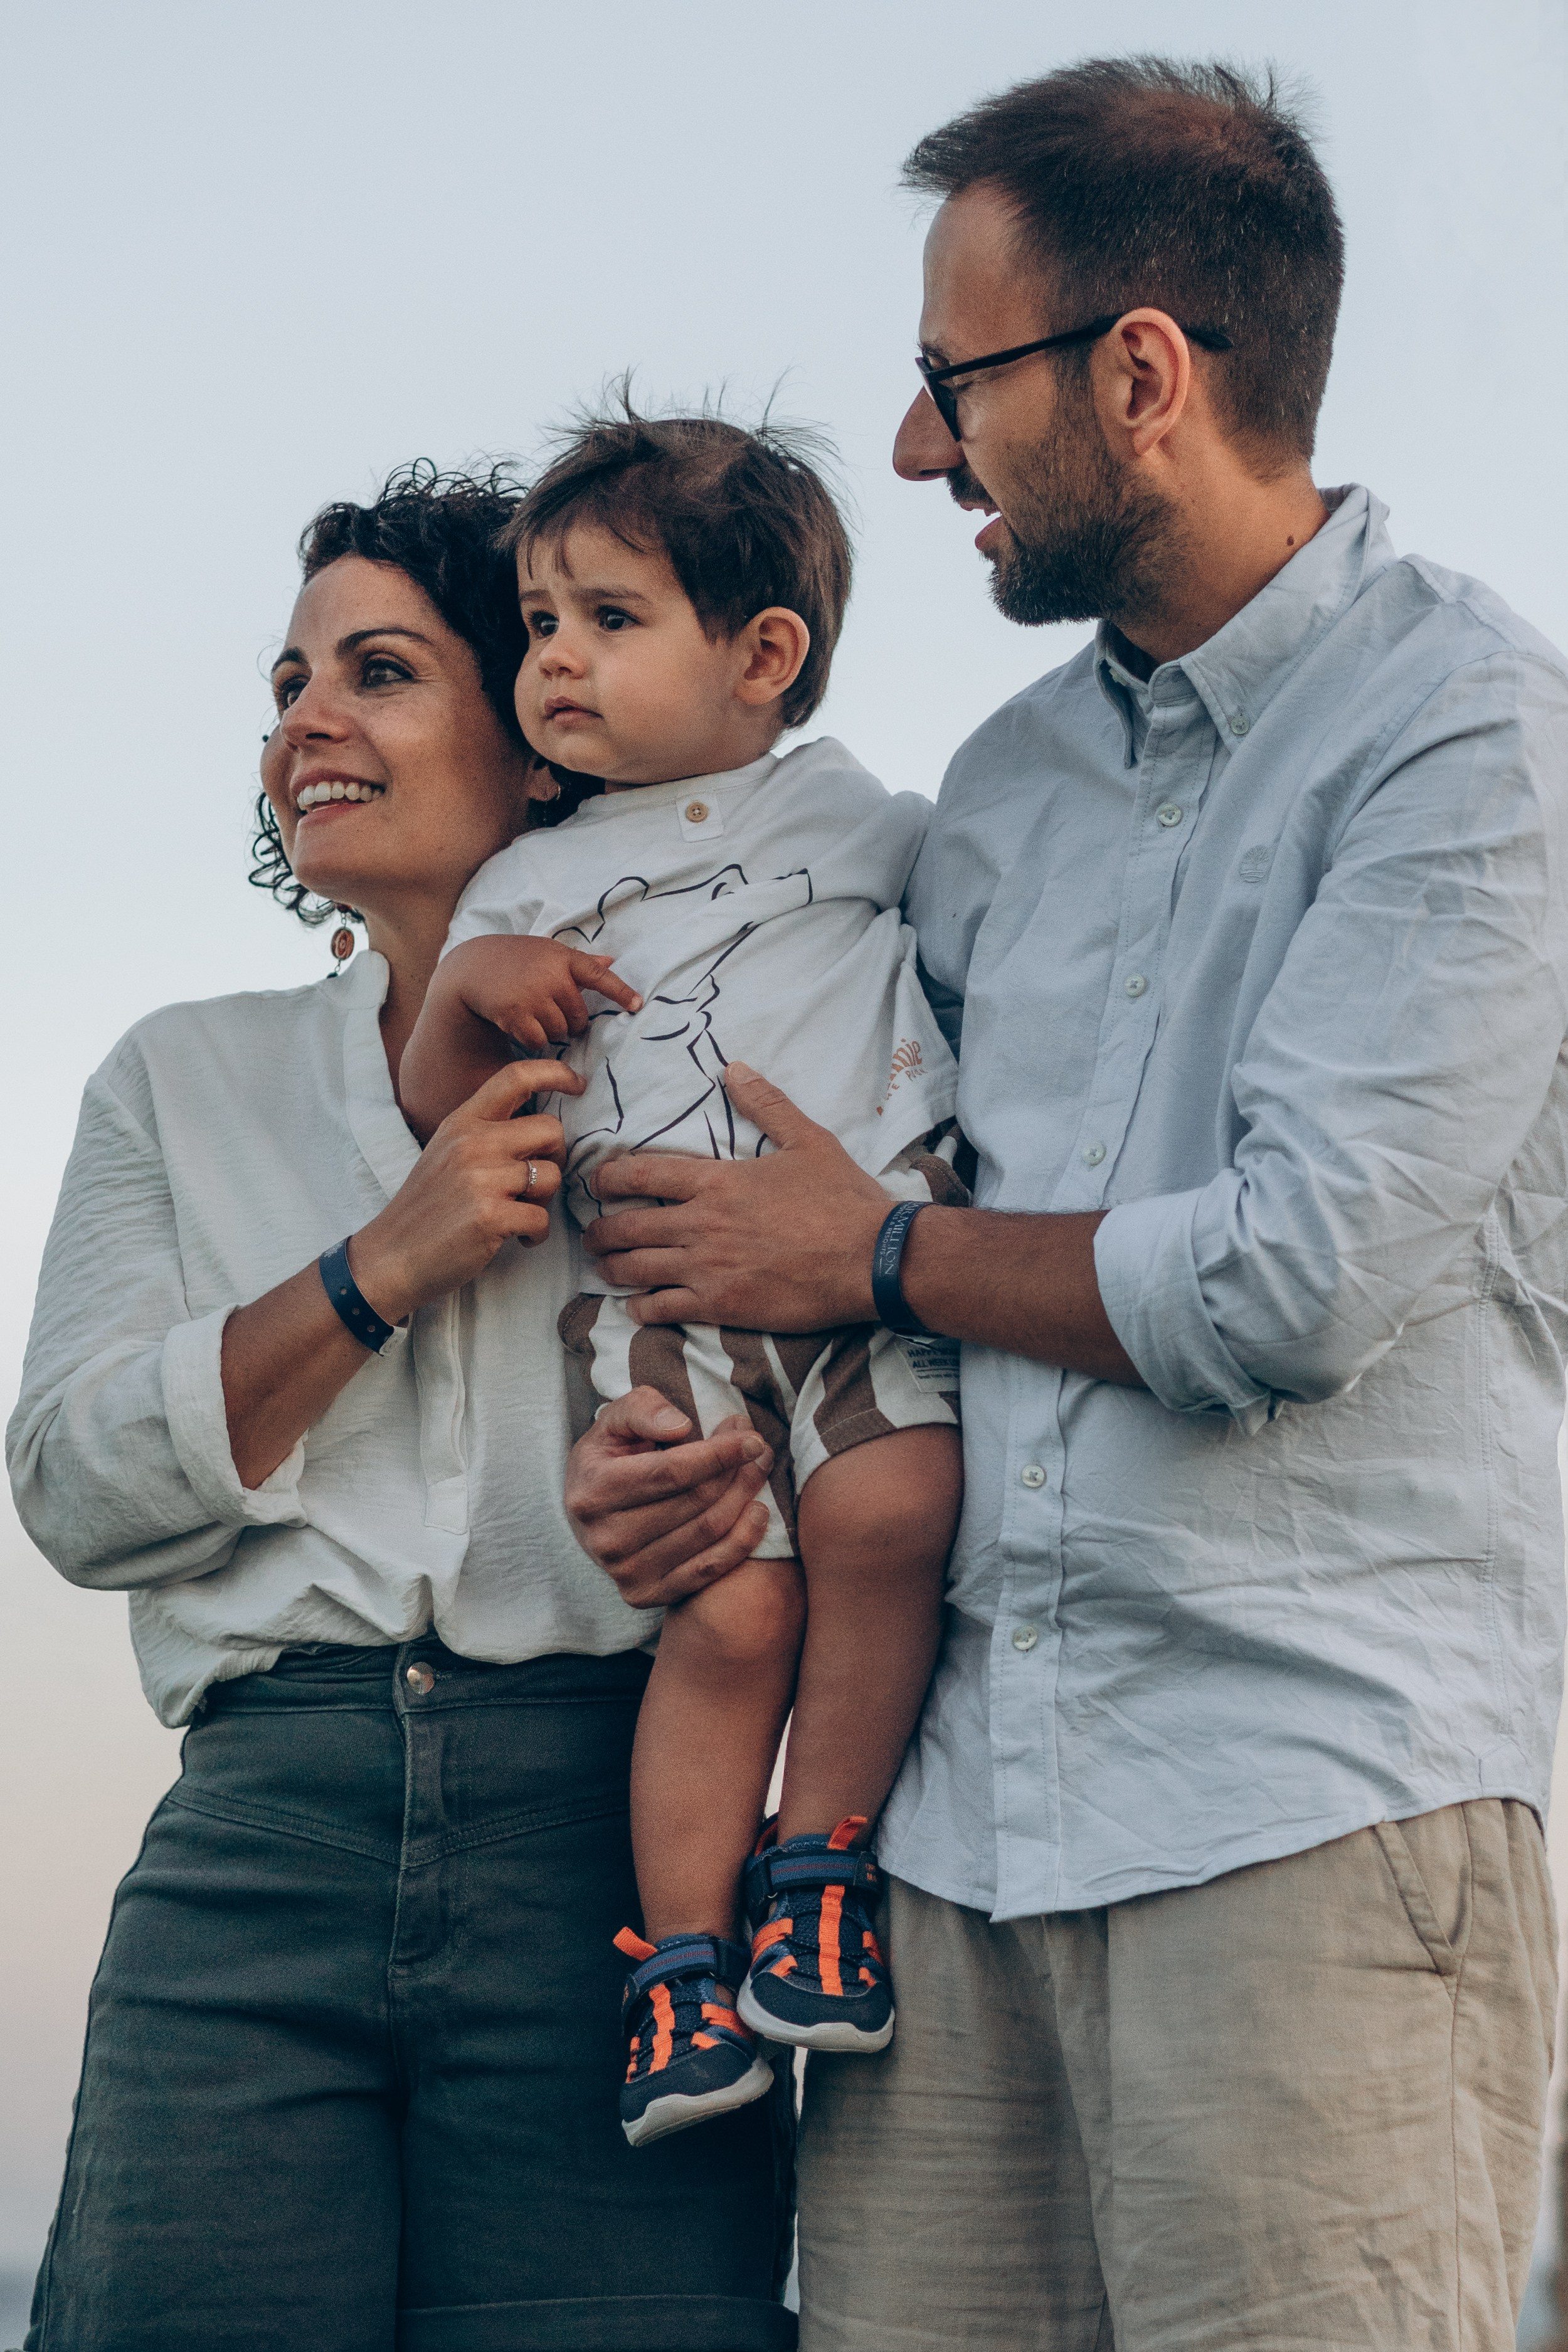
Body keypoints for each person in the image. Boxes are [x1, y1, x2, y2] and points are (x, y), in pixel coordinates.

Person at [560, 57, 1568, 2351]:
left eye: (951, 382)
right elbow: (819, 1220)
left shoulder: (1471, 737)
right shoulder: (995, 796)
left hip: (1302, 1817)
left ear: (1137, 379)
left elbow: (1289, 1275)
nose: (918, 453)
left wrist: (875, 1262)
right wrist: (695, 1451)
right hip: (928, 1868)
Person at [7, 466, 797, 2352]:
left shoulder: (724, 1055)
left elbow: (852, 1396)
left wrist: (742, 1484)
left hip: (617, 1864)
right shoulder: (175, 1080)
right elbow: (70, 1486)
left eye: (377, 670)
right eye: (289, 681)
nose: (304, 722)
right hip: (256, 1854)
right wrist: (380, 1262)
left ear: (536, 735)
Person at [398, 411, 966, 2149]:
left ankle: (820, 1866)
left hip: (855, 1271)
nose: (553, 658)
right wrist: (468, 983)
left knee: (892, 1512)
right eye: (539, 622)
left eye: (608, 619)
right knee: (726, 1612)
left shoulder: (864, 814)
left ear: (762, 655)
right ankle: (683, 1977)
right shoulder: (525, 877)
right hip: (647, 1299)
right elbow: (436, 1105)